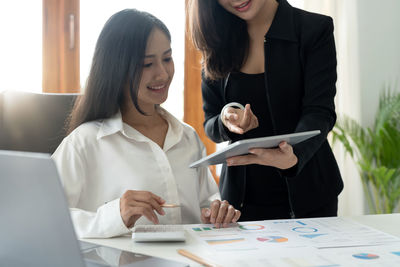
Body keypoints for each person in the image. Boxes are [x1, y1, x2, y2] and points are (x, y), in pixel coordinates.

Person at [52, 9, 240, 238]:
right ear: (117, 69)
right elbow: (44, 218)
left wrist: (217, 213)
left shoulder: (187, 138)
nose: (162, 73)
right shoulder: (84, 143)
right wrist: (115, 215)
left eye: (167, 58)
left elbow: (205, 205)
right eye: (147, 64)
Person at [188, 0, 343, 221]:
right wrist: (226, 119)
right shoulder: (217, 36)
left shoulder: (313, 29)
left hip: (309, 194)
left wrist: (293, 157)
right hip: (241, 203)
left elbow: (320, 111)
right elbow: (211, 123)